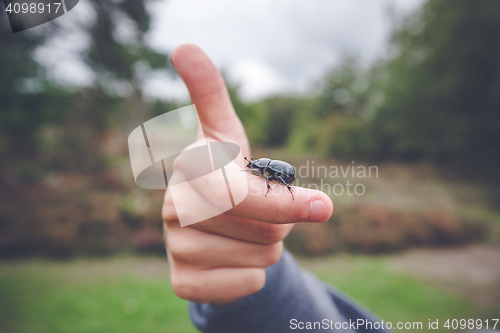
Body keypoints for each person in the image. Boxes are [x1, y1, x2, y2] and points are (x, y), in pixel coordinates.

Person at [162, 44, 388, 333]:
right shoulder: (261, 167)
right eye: (255, 168)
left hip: (285, 178)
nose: (255, 170)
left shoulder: (270, 170)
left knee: (271, 184)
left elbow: (274, 176)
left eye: (256, 168)